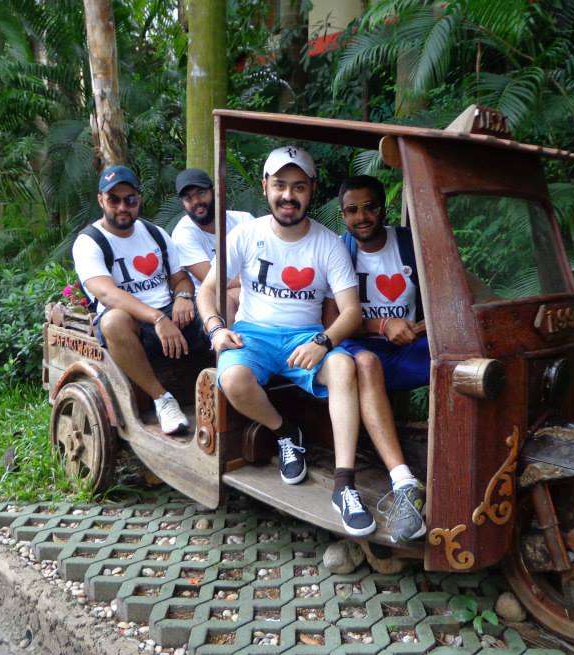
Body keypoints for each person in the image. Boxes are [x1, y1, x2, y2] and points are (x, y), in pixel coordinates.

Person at [197, 147, 376, 536]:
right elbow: (207, 289)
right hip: (253, 334)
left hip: (305, 337)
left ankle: (345, 484)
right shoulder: (246, 235)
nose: (288, 195)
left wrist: (323, 342)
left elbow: (351, 312)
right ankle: (284, 433)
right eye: (279, 185)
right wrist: (215, 328)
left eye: (298, 186)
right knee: (232, 378)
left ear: (312, 189)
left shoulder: (328, 243)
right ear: (265, 186)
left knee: (343, 366)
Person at [72, 164, 209, 436]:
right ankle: (162, 400)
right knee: (113, 321)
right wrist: (157, 319)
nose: (123, 207)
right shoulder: (89, 242)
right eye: (114, 200)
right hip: (134, 322)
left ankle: (225, 386)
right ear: (101, 200)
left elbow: (180, 278)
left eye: (130, 200)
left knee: (217, 305)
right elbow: (107, 294)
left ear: (139, 199)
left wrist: (183, 296)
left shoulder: (155, 233)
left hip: (171, 312)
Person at [336, 175, 430, 542]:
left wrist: (421, 325)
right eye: (352, 210)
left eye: (369, 207)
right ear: (343, 214)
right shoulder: (339, 251)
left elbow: (447, 295)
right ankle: (404, 482)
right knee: (364, 364)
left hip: (409, 345)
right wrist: (382, 325)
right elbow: (330, 321)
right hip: (362, 348)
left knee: (460, 360)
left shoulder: (409, 245)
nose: (362, 217)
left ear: (382, 208)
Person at [172, 168, 254, 325]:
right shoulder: (183, 234)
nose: (196, 202)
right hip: (208, 299)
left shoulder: (244, 221)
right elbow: (214, 280)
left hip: (249, 290)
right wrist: (254, 279)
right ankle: (227, 340)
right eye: (188, 198)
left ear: (215, 192)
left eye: (201, 193)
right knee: (227, 298)